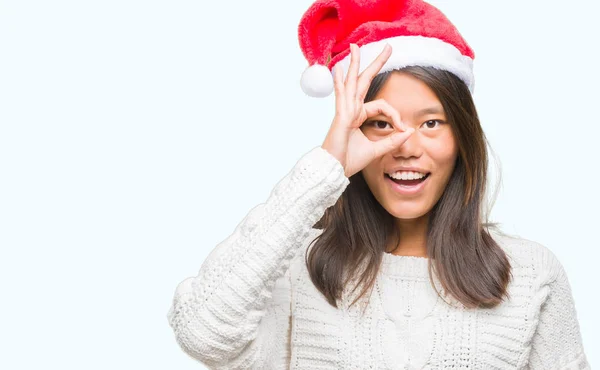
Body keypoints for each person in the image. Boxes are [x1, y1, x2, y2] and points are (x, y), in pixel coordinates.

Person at [166, 0, 590, 368]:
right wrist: (327, 166)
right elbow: (203, 332)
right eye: (380, 123)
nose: (405, 147)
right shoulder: (296, 268)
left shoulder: (531, 273)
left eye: (431, 122)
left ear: (461, 138)